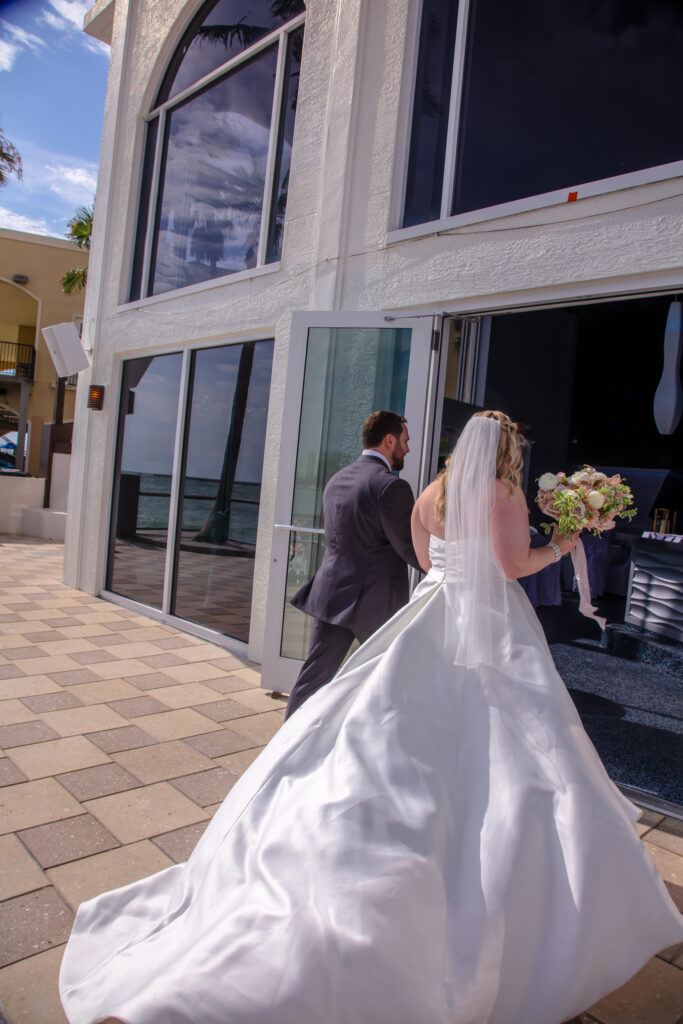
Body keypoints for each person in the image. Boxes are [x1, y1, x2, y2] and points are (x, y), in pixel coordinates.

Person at [59, 410, 682, 1024]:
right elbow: (515, 565)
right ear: (508, 452)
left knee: (394, 719)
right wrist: (563, 546)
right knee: (514, 740)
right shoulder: (505, 493)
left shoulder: (430, 491)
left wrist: (464, 567)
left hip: (431, 612)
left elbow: (423, 559)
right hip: (491, 627)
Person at [286, 409, 421, 717]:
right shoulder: (391, 486)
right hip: (376, 604)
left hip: (333, 596)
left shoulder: (336, 479)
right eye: (405, 440)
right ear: (389, 440)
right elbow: (409, 548)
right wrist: (448, 568)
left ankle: (283, 751)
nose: (408, 448)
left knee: (312, 681)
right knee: (392, 681)